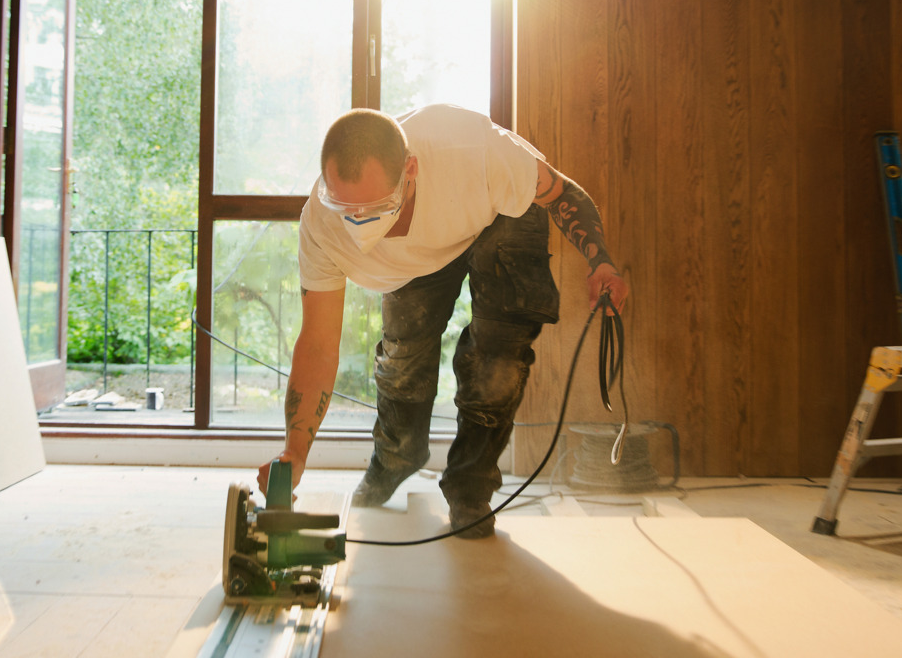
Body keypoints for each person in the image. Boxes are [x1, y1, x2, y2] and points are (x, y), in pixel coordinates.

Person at [258, 104, 628, 539]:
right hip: (417, 261)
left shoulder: (480, 155)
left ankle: (470, 487)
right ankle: (395, 458)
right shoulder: (321, 225)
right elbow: (319, 343)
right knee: (402, 361)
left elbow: (563, 193)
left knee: (497, 360)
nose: (358, 222)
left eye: (375, 206)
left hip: (498, 217)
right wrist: (295, 452)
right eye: (345, 207)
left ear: (410, 170)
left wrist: (600, 261)